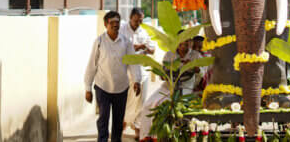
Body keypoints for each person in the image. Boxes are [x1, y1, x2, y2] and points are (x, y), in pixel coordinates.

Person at [84, 11, 142, 142]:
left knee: (118, 121)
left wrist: (137, 80)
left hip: (121, 88)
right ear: (106, 24)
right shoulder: (99, 42)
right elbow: (92, 64)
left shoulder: (126, 42)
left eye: (117, 22)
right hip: (102, 86)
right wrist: (87, 88)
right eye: (112, 22)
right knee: (103, 119)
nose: (115, 25)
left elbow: (133, 62)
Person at [140, 33, 202, 139]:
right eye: (182, 41)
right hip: (167, 87)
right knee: (147, 105)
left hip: (185, 89)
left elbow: (201, 72)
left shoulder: (195, 55)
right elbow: (163, 74)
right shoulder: (169, 54)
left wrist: (192, 66)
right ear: (177, 42)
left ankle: (159, 137)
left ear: (190, 42)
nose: (185, 44)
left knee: (160, 105)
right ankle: (146, 136)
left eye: (187, 41)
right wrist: (165, 73)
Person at [119, 8, 155, 140]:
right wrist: (139, 47)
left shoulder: (144, 31)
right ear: (130, 17)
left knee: (142, 101)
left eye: (140, 20)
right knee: (128, 101)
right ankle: (123, 123)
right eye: (136, 20)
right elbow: (123, 47)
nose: (138, 23)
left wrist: (147, 48)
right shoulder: (122, 29)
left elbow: (152, 49)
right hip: (126, 72)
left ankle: (138, 127)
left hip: (142, 72)